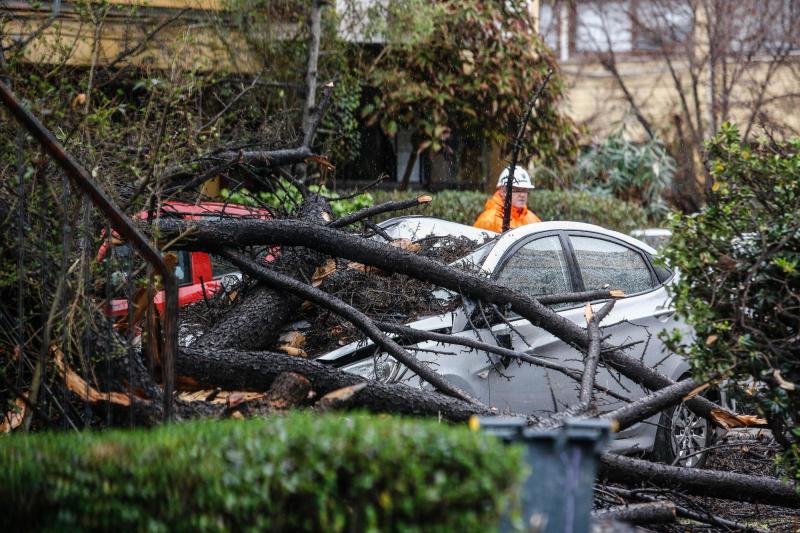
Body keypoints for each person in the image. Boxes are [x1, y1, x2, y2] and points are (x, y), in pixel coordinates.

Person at [473, 167, 541, 232]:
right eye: (517, 189)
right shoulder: (488, 220)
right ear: (502, 191)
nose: (522, 195)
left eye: (525, 190)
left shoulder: (533, 220)